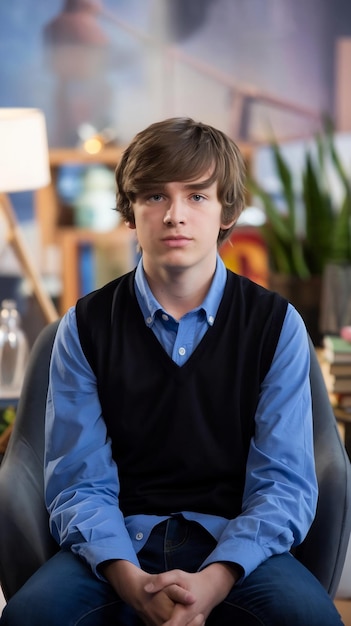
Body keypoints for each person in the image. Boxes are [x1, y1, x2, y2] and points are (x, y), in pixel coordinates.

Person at [0, 117, 343, 626]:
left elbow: (284, 484)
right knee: (29, 619)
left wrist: (217, 577)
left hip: (238, 546)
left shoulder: (277, 325)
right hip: (114, 548)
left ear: (227, 210)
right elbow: (79, 482)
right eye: (155, 196)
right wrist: (130, 581)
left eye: (197, 197)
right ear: (130, 211)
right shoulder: (83, 327)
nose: (175, 215)